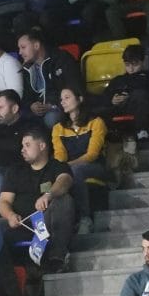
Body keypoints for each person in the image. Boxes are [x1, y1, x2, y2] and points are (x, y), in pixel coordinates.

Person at [0, 130, 75, 273]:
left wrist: (48, 195)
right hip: (21, 223)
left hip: (47, 223)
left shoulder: (57, 166)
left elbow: (65, 180)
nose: (23, 150)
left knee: (64, 200)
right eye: (22, 146)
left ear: (42, 146)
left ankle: (57, 256)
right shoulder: (15, 171)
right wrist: (10, 215)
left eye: (27, 145)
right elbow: (4, 201)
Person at [52, 89, 107, 234]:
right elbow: (60, 155)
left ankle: (85, 218)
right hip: (70, 168)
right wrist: (60, 167)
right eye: (61, 99)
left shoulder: (96, 122)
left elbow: (92, 155)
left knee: (76, 170)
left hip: (95, 166)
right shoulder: (58, 128)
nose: (63, 102)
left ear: (80, 99)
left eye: (67, 97)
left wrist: (67, 166)